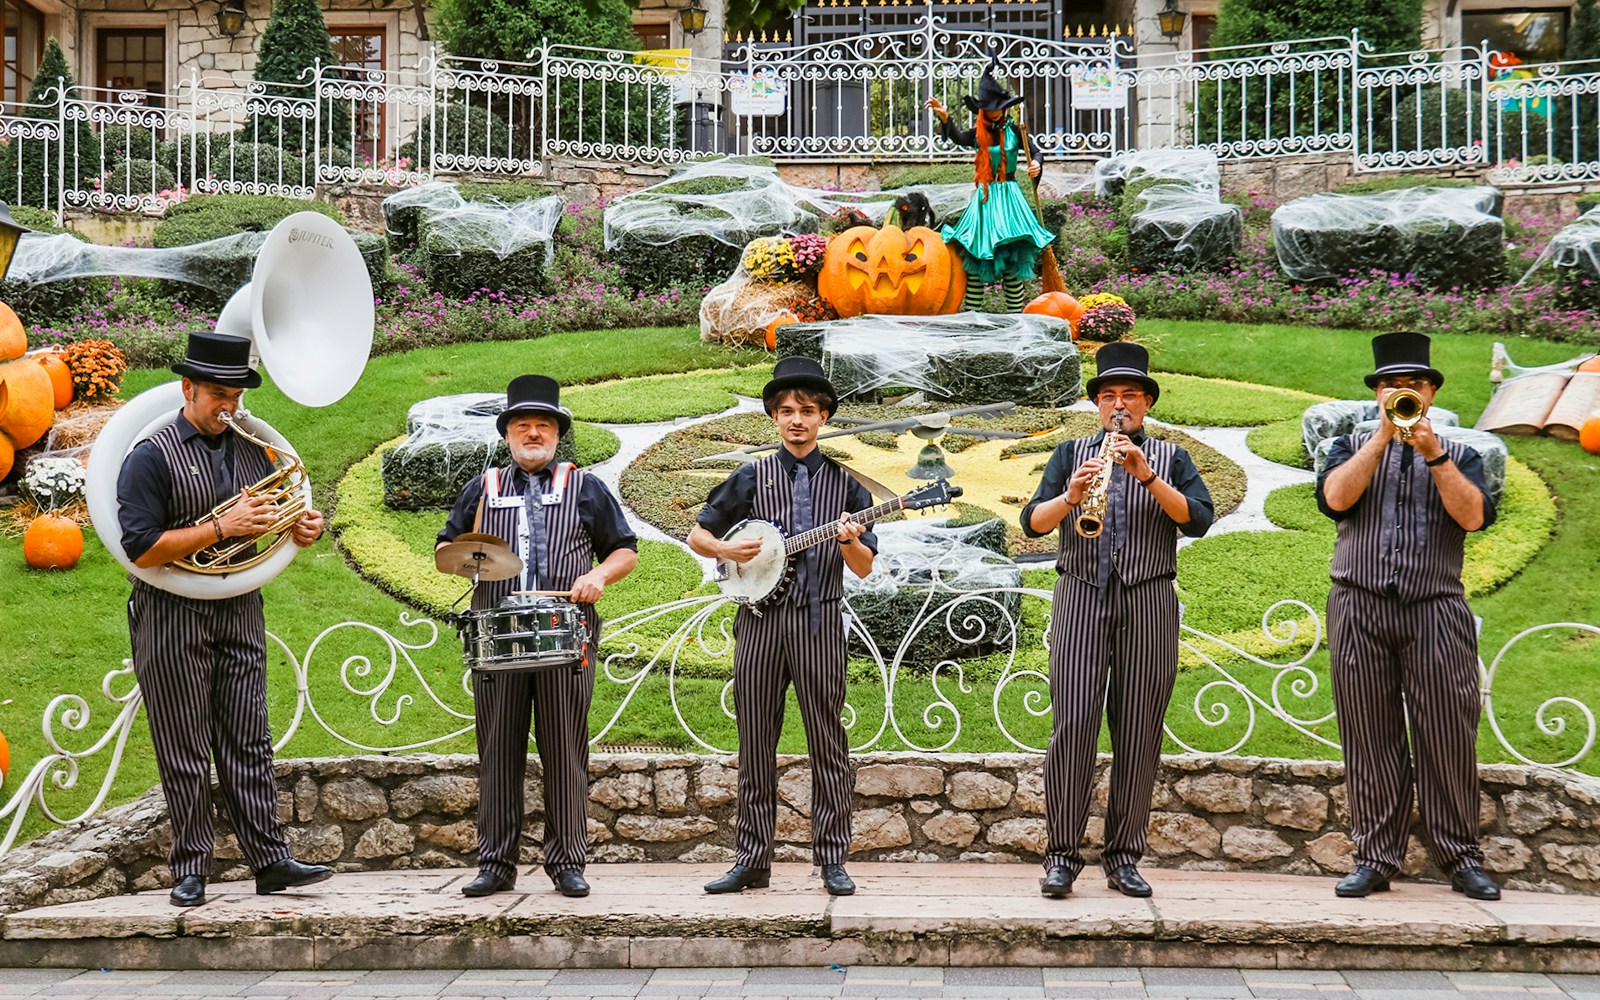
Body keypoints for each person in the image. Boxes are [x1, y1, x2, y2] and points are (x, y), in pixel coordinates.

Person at [115, 331, 334, 908]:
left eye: (235, 395)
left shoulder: (253, 447)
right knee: (183, 744)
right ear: (187, 389)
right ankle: (191, 868)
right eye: (218, 393)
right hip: (169, 612)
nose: (229, 407)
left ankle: (270, 861)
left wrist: (298, 530)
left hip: (239, 607)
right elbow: (139, 547)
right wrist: (220, 528)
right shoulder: (150, 455)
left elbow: (277, 514)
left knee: (249, 738)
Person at [1019, 342, 1213, 899]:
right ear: (1098, 405)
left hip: (1149, 599)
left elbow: (1197, 520)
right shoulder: (1068, 454)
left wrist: (1148, 477)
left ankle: (1124, 856)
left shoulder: (1172, 458)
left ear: (1147, 403)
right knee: (1073, 725)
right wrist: (1070, 496)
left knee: (1139, 731)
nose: (1120, 405)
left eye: (1130, 396)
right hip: (1081, 596)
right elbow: (1033, 523)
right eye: (1109, 397)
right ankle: (1061, 855)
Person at [437, 374, 638, 899]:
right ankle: (495, 863)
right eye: (522, 425)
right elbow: (446, 550)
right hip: (498, 636)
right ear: (507, 435)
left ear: (556, 433)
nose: (532, 433)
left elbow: (625, 550)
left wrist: (598, 576)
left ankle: (568, 860)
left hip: (565, 635)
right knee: (497, 747)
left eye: (542, 425)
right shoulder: (482, 489)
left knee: (564, 748)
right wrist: (469, 562)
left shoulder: (585, 486)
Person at [1316, 332, 1501, 902]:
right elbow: (1336, 500)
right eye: (1392, 386)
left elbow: (1473, 518)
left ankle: (1461, 856)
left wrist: (1433, 453)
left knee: (1448, 735)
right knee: (1368, 736)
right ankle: (1375, 857)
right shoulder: (1346, 445)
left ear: (1431, 392)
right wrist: (1379, 442)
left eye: (1413, 385)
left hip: (1436, 607)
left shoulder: (1462, 454)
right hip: (1358, 605)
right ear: (1376, 393)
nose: (1403, 394)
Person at [687, 357, 877, 897]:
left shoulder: (847, 485)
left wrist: (849, 540)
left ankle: (832, 859)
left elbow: (864, 566)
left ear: (823, 419)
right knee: (755, 742)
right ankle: (752, 859)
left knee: (828, 741)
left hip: (819, 621)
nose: (798, 419)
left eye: (809, 411)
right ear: (774, 417)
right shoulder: (749, 476)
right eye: (788, 411)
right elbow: (699, 535)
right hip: (759, 622)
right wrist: (726, 548)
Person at [925, 57, 1056, 313]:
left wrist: (1036, 165)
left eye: (1000, 107)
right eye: (992, 108)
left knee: (1010, 260)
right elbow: (960, 138)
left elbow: (1036, 152)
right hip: (984, 199)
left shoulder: (1015, 130)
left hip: (1009, 198)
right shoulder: (978, 132)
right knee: (976, 256)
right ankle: (972, 318)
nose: (996, 112)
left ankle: (1016, 319)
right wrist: (945, 118)